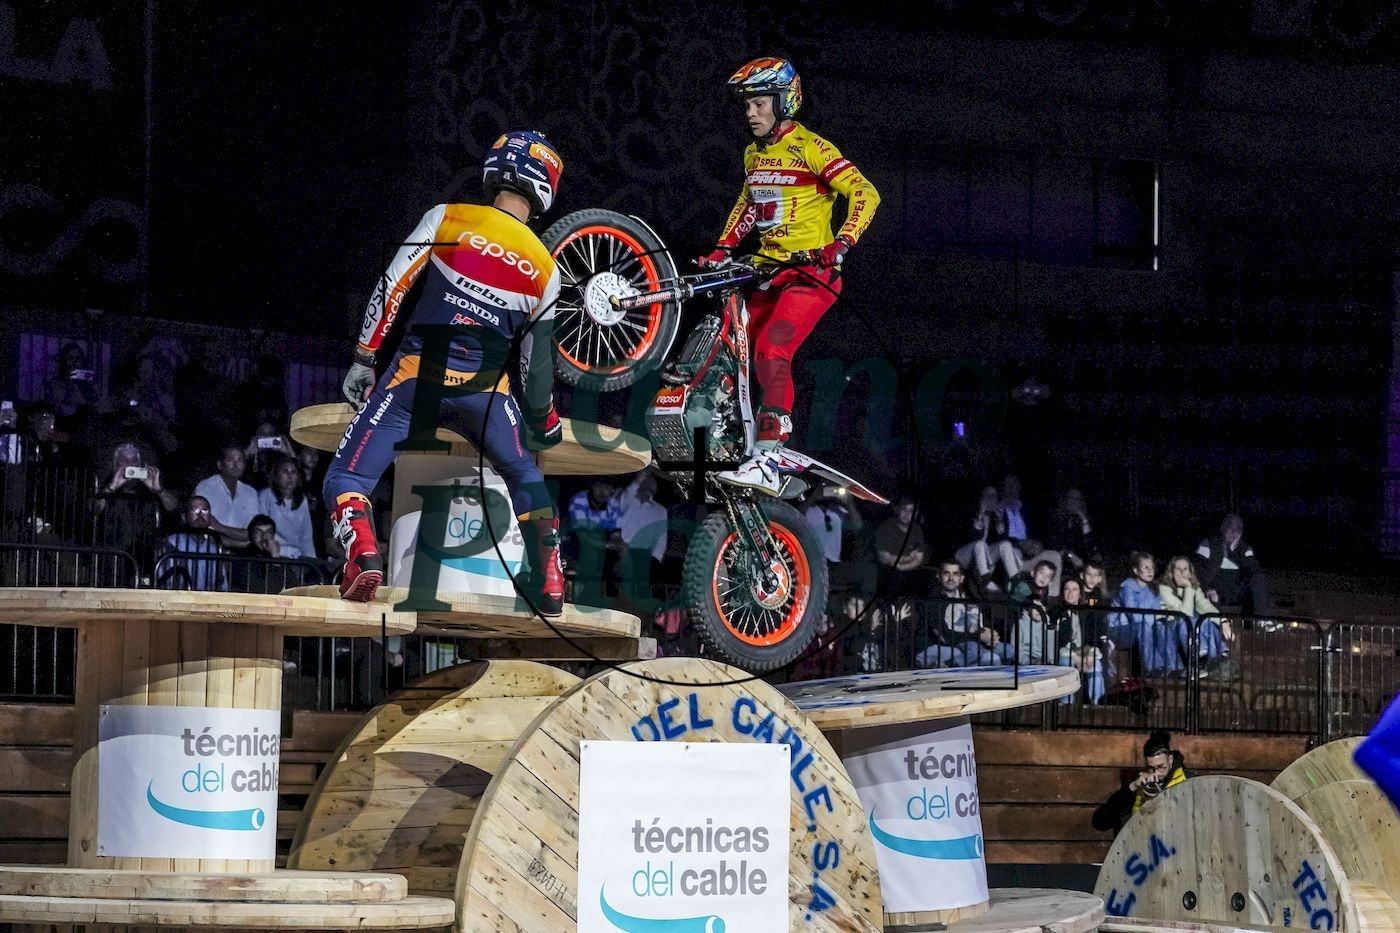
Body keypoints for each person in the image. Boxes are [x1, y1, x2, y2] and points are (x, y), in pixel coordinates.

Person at [324, 131, 567, 612]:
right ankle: (549, 578)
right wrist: (543, 419)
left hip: (416, 378)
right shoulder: (547, 267)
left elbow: (392, 287)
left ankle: (364, 553)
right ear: (545, 188)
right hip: (487, 394)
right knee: (523, 472)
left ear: (495, 168)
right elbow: (536, 367)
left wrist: (364, 357)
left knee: (345, 476)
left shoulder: (448, 216)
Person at [698, 57, 880, 494]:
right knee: (733, 349)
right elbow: (748, 203)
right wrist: (723, 248)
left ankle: (768, 455)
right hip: (769, 271)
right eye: (746, 105)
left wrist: (842, 242)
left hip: (812, 275)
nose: (750, 113)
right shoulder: (753, 153)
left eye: (759, 104)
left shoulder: (812, 147)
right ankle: (727, 440)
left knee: (770, 351)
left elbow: (865, 192)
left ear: (784, 102)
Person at [1092, 730, 1191, 834]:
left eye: (1161, 767)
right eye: (1151, 768)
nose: (1156, 773)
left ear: (1170, 759)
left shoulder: (1189, 780)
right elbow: (1100, 822)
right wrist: (1132, 788)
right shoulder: (1139, 786)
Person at [1159, 555, 1234, 679]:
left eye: (1185, 569)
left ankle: (1218, 657)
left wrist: (1223, 621)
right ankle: (1201, 656)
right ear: (1171, 573)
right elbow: (1185, 613)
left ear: (1190, 573)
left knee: (1207, 621)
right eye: (1178, 569)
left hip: (1189, 631)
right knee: (1187, 621)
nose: (1182, 572)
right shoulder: (1164, 589)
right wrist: (1188, 588)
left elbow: (1205, 606)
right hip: (1170, 631)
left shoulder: (1195, 589)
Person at [1108, 551, 1181, 677]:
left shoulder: (1152, 590)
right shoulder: (1128, 588)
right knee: (1144, 626)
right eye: (1145, 567)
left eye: (1152, 567)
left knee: (1160, 627)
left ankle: (1174, 666)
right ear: (1136, 570)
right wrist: (1153, 619)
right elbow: (1135, 616)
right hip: (1119, 630)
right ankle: (1153, 667)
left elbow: (1157, 614)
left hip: (1142, 627)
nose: (1150, 571)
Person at [1194, 513, 1269, 615]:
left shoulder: (1244, 549)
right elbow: (1196, 572)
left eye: (1238, 530)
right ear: (1223, 529)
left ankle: (1260, 619)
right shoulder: (1209, 545)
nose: (1234, 532)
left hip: (1234, 591)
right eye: (1230, 528)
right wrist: (1207, 588)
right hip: (1213, 589)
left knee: (1258, 579)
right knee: (1208, 596)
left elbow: (1254, 572)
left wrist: (1234, 552)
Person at [155, 495, 228, 592]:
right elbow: (166, 582)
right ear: (184, 517)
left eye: (205, 510)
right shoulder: (173, 543)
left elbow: (221, 583)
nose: (200, 515)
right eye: (194, 510)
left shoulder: (213, 547)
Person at [954, 486, 1021, 592]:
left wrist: (999, 521)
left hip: (983, 556)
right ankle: (986, 579)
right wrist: (980, 515)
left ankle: (1015, 580)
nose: (991, 499)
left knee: (1006, 544)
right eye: (988, 496)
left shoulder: (996, 517)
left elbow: (1002, 541)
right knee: (980, 544)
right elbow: (968, 537)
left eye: (994, 496)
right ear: (981, 498)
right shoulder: (970, 512)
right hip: (964, 555)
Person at [194, 446, 258, 549]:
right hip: (210, 550)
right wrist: (243, 542)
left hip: (243, 553)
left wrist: (221, 528)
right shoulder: (206, 487)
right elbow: (205, 532)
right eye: (230, 460)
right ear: (220, 465)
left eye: (240, 460)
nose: (236, 465)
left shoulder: (250, 493)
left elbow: (253, 533)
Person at [259, 458, 319, 559]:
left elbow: (306, 538)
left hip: (297, 557)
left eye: (293, 472)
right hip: (274, 556)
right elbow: (263, 532)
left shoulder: (302, 500)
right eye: (285, 472)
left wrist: (312, 562)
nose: (290, 476)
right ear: (276, 476)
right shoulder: (266, 495)